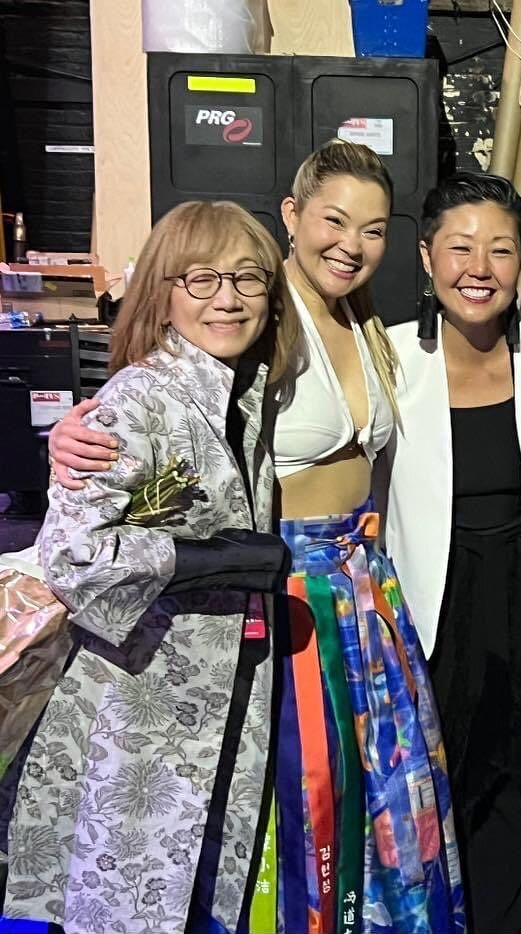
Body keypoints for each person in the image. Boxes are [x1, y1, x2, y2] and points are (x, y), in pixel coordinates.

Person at [44, 141, 463, 934]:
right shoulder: (264, 320)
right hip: (281, 581)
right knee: (298, 798)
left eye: (373, 229)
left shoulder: (363, 319)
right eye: (334, 221)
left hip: (360, 586)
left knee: (378, 792)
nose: (352, 244)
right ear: (293, 217)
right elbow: (163, 387)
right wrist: (73, 431)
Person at [0, 201, 297, 931]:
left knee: (186, 899)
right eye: (200, 278)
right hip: (135, 716)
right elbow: (71, 557)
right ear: (162, 291)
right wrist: (200, 559)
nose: (226, 298)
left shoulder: (244, 396)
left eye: (247, 279)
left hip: (213, 702)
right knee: (129, 906)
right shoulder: (137, 401)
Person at [382, 173, 521, 933]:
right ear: (427, 258)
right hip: (431, 604)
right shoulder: (391, 357)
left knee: (519, 780)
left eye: (500, 249)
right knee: (433, 782)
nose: (479, 268)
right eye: (460, 249)